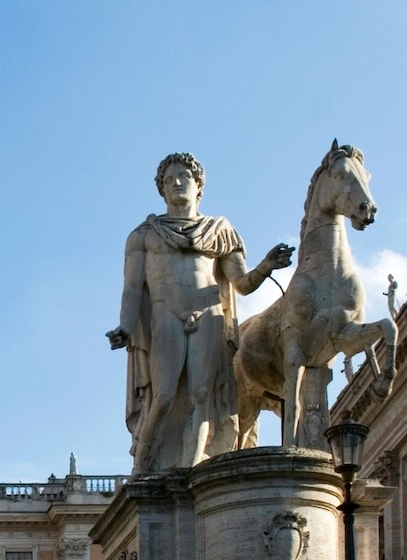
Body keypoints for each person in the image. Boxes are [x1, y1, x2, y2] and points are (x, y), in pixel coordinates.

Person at [108, 152, 293, 473]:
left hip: (208, 315)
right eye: (169, 180)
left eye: (184, 177)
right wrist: (125, 327)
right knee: (164, 395)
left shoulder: (219, 231)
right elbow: (133, 288)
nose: (177, 183)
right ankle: (143, 463)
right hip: (166, 314)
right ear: (162, 190)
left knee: (202, 396)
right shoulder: (144, 234)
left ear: (198, 187)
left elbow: (242, 283)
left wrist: (266, 266)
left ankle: (195, 470)